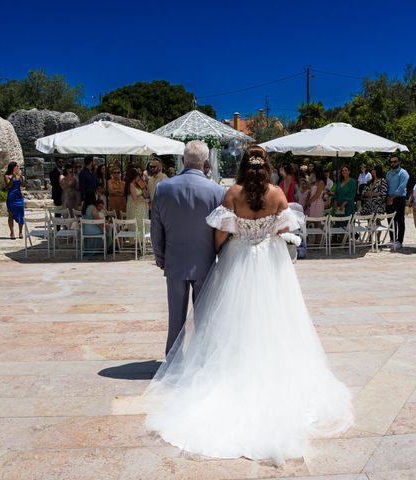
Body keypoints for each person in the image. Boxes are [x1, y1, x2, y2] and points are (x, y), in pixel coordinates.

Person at [145, 145, 354, 464]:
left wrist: (228, 250)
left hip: (238, 260)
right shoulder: (278, 195)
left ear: (243, 167)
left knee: (234, 321)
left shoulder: (232, 194)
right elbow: (284, 231)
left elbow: (219, 236)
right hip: (270, 266)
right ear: (267, 167)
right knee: (275, 320)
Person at [150, 140, 225, 355]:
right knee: (204, 319)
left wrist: (161, 258)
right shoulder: (217, 192)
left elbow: (157, 229)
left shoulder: (163, 189)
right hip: (205, 262)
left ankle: (173, 359)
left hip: (174, 262)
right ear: (206, 163)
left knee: (175, 318)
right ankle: (201, 360)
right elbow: (221, 231)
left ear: (183, 160)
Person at [385, 155, 410, 250]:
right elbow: (386, 186)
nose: (392, 163)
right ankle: (392, 239)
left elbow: (402, 187)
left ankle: (399, 241)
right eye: (391, 162)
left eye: (394, 161)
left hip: (399, 199)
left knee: (400, 220)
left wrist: (392, 197)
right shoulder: (388, 173)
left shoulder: (404, 173)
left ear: (399, 162)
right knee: (390, 220)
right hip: (389, 198)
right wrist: (387, 197)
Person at [125, 167, 149, 236]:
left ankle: (142, 241)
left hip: (141, 207)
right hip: (135, 207)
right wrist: (145, 200)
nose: (139, 176)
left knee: (141, 223)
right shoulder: (131, 185)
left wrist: (143, 187)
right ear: (134, 176)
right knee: (137, 223)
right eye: (138, 175)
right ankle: (136, 241)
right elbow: (135, 199)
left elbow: (145, 194)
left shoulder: (137, 183)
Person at [4, 162, 25, 240]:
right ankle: (12, 232)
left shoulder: (19, 176)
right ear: (13, 167)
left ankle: (20, 232)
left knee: (21, 214)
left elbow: (23, 185)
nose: (18, 167)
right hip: (11, 197)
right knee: (11, 215)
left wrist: (22, 178)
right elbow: (9, 186)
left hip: (19, 197)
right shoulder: (7, 176)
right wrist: (13, 177)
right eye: (17, 166)